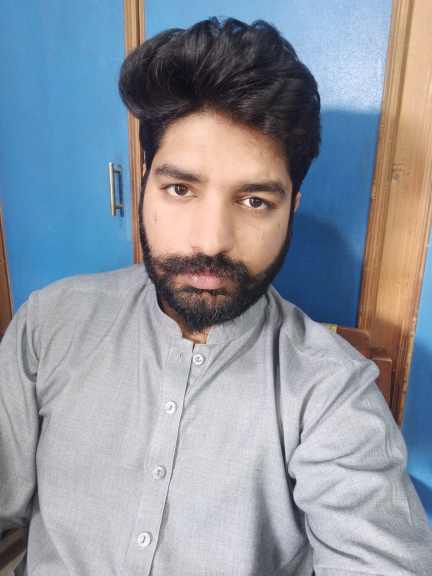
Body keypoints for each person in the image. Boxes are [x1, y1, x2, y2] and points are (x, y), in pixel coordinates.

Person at [0, 17, 431, 576]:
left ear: (292, 210)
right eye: (180, 189)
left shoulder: (330, 391)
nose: (210, 241)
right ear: (144, 184)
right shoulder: (49, 325)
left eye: (254, 201)